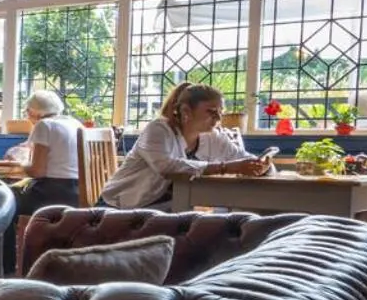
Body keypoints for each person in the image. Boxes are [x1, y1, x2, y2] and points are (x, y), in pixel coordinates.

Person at [98, 81, 271, 209]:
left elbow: (242, 157)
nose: (218, 119)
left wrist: (262, 166)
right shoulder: (159, 129)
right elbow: (167, 167)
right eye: (211, 112)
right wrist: (226, 167)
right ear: (186, 111)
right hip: (121, 207)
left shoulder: (212, 137)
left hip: (167, 208)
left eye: (220, 112)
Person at [15, 90, 82, 215]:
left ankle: (18, 234)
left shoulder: (44, 125)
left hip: (53, 193)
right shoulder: (75, 123)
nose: (27, 116)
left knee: (7, 198)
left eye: (27, 112)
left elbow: (37, 171)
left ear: (34, 112)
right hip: (78, 192)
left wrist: (20, 164)